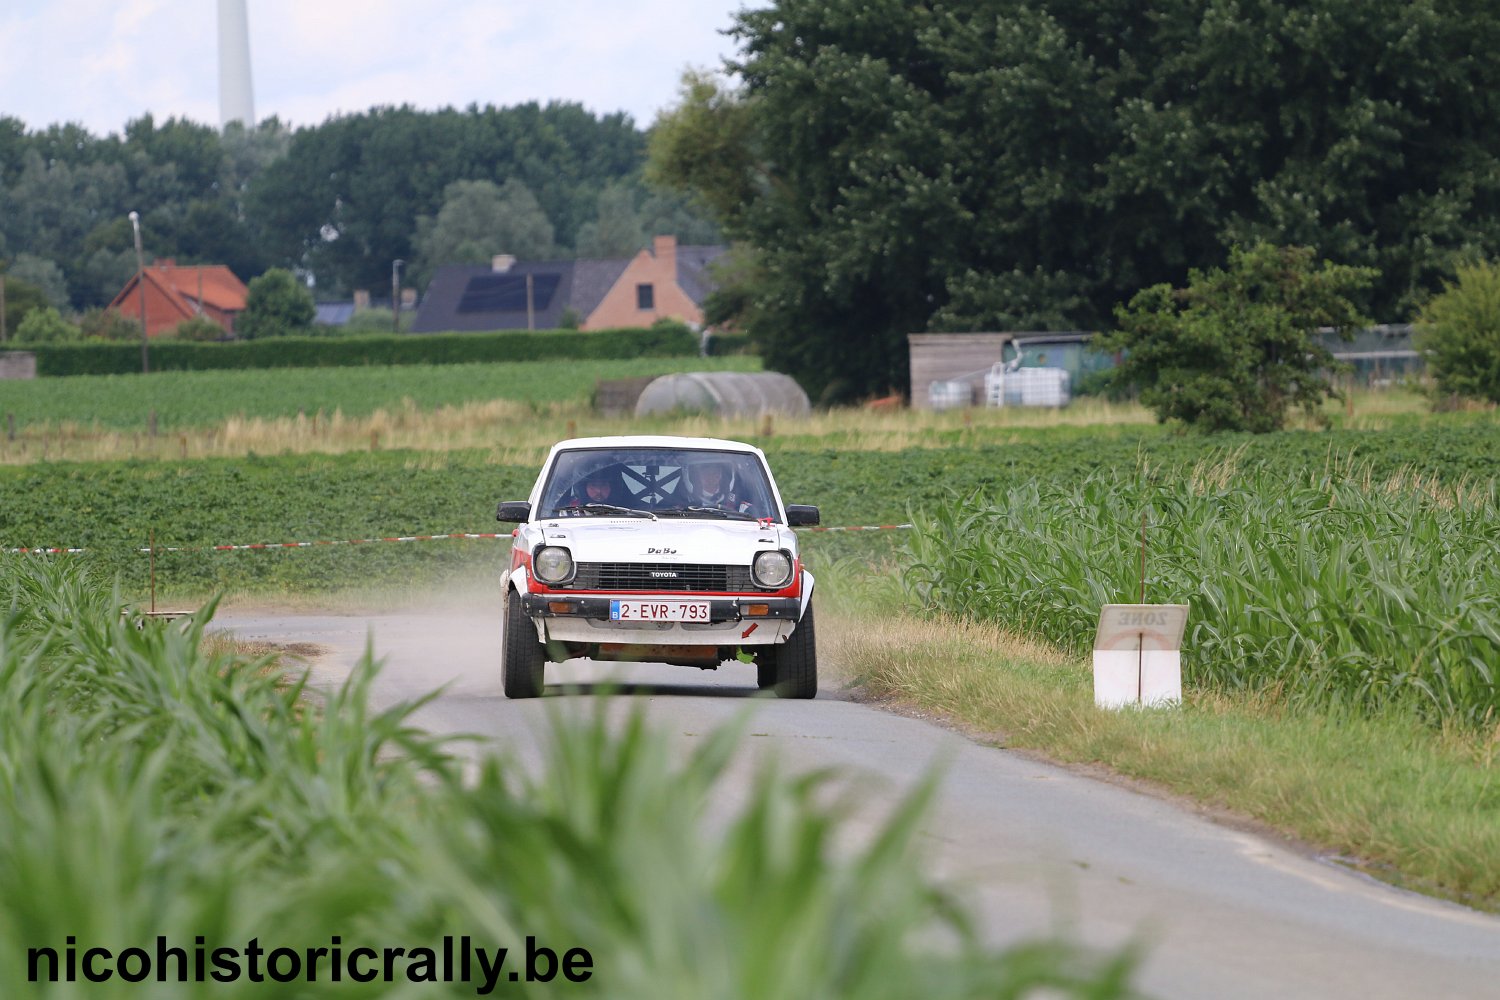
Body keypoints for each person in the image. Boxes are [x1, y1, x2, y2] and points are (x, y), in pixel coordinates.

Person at [683, 459, 752, 514]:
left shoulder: (736, 501)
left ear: (721, 475)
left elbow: (752, 514)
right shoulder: (684, 500)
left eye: (715, 473)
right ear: (698, 476)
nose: (711, 477)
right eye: (706, 473)